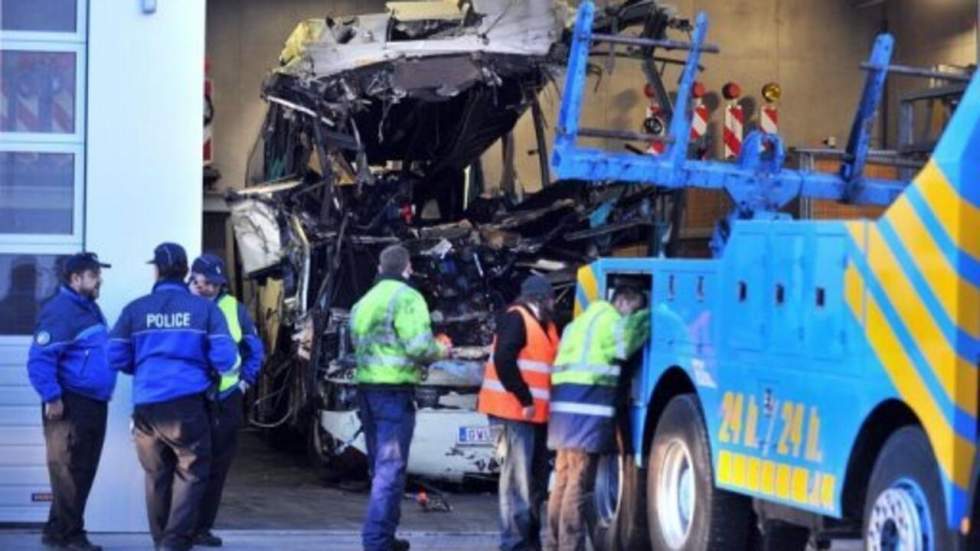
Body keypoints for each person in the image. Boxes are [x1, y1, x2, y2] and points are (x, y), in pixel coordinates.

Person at [107, 243, 239, 551]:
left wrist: (142, 367)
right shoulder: (206, 309)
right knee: (192, 474)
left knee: (156, 475)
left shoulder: (135, 309)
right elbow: (227, 359)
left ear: (156, 270)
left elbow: (114, 356)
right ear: (187, 273)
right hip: (187, 406)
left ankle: (160, 542)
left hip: (146, 407)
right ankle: (174, 543)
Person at [349, 244, 450, 551]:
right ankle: (377, 540)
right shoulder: (407, 298)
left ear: (380, 269)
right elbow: (419, 347)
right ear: (408, 269)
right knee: (390, 470)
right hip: (393, 395)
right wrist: (442, 350)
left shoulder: (364, 302)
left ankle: (385, 536)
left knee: (380, 468)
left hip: (367, 391)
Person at [544, 287, 650, 551]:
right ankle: (571, 545)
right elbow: (626, 347)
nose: (630, 316)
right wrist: (648, 316)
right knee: (578, 483)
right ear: (622, 302)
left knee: (563, 478)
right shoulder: (610, 321)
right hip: (585, 409)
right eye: (631, 310)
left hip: (563, 410)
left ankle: (553, 543)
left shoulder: (577, 324)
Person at [26, 252, 115, 551]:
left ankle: (56, 529)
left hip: (92, 402)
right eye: (93, 275)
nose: (99, 279)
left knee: (80, 469)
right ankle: (71, 536)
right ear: (76, 279)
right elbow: (40, 358)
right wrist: (51, 396)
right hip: (70, 404)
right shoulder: (61, 311)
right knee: (69, 471)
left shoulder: (89, 308)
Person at [187, 253, 265, 547]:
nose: (211, 289)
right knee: (189, 465)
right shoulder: (184, 307)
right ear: (193, 279)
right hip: (190, 399)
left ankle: (202, 528)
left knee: (217, 468)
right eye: (206, 283)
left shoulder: (235, 309)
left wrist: (245, 381)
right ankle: (180, 525)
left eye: (216, 284)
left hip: (225, 400)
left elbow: (254, 348)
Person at [478, 275, 560, 551]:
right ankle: (514, 545)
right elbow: (503, 359)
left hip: (532, 416)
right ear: (541, 298)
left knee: (532, 483)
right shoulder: (517, 319)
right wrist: (524, 396)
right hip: (511, 413)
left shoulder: (543, 325)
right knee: (517, 483)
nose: (555, 304)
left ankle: (528, 543)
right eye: (551, 298)